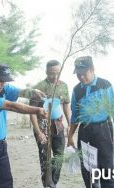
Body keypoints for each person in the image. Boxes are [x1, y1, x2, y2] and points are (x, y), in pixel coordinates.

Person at [67, 56, 114, 188]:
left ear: (92, 69)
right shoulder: (77, 90)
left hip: (103, 129)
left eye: (84, 74)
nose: (81, 77)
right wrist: (70, 136)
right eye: (78, 75)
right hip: (85, 131)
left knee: (107, 167)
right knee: (87, 168)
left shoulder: (105, 85)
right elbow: (75, 117)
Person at [29, 60, 71, 188]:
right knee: (45, 159)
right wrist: (38, 132)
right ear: (46, 72)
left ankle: (53, 183)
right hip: (43, 127)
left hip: (58, 127)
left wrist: (70, 125)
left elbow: (66, 107)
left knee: (59, 157)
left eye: (58, 73)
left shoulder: (64, 86)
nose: (55, 76)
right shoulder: (39, 87)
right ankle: (48, 185)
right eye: (52, 73)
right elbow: (32, 111)